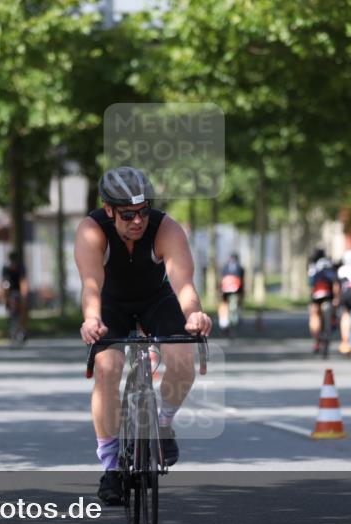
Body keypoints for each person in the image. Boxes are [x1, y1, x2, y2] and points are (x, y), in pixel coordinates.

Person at [75, 166, 212, 505]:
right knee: (107, 369)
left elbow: (184, 285)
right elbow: (91, 285)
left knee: (182, 360)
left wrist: (194, 314)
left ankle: (162, 424)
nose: (138, 220)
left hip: (156, 300)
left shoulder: (166, 229)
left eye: (144, 211)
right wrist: (91, 319)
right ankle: (111, 466)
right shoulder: (92, 230)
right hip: (111, 303)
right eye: (128, 214)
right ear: (109, 210)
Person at [307, 247, 339, 353]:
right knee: (333, 308)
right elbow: (335, 285)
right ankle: (333, 320)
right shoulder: (331, 267)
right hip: (329, 296)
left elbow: (311, 285)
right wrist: (336, 298)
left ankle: (316, 341)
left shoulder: (313, 267)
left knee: (314, 315)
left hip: (316, 297)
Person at [0, 250, 28, 341]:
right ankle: (11, 327)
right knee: (6, 286)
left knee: (23, 307)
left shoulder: (21, 267)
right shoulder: (6, 268)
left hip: (18, 289)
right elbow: (3, 282)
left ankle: (22, 329)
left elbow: (23, 282)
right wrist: (3, 296)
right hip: (9, 290)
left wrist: (24, 296)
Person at [217, 252, 245, 332]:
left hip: (227, 289)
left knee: (225, 304)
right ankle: (232, 320)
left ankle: (225, 322)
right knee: (232, 304)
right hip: (235, 290)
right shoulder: (239, 267)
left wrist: (220, 289)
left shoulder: (225, 267)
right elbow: (241, 280)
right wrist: (242, 292)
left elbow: (222, 279)